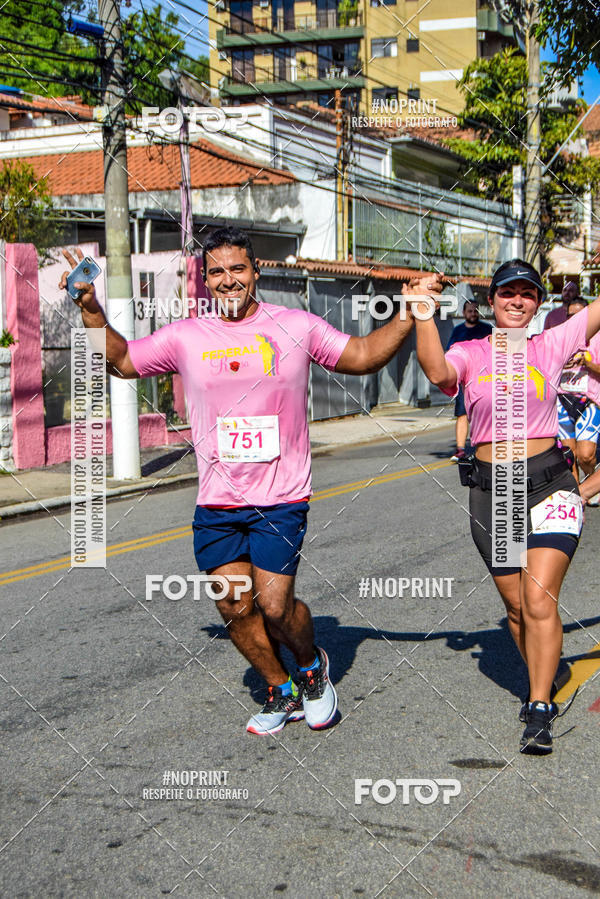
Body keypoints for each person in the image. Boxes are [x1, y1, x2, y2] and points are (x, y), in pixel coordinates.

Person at [61, 227, 442, 737]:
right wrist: (90, 308)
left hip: (281, 496)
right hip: (217, 502)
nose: (228, 280)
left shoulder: (295, 326)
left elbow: (363, 355)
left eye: (237, 269)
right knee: (234, 606)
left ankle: (311, 666)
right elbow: (123, 361)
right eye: (216, 272)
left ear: (256, 271)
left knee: (275, 606)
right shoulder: (186, 336)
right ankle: (281, 688)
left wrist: (408, 314)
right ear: (205, 279)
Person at [413, 257, 600, 754]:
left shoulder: (553, 343)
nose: (517, 300)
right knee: (517, 607)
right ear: (491, 300)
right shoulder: (471, 351)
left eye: (528, 293)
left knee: (538, 600)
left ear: (539, 304)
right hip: (495, 491)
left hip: (549, 484)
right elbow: (436, 371)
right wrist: (422, 312)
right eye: (507, 292)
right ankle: (543, 668)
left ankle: (539, 705)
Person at [557, 297, 600, 505]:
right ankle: (574, 498)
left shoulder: (598, 337)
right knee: (569, 455)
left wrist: (588, 363)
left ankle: (591, 482)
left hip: (589, 401)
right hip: (563, 400)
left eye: (579, 315)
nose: (574, 319)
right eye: (570, 316)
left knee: (586, 455)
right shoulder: (559, 338)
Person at [446, 299, 493, 462]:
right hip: (464, 381)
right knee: (462, 413)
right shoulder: (458, 331)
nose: (473, 314)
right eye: (470, 311)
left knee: (488, 411)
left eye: (475, 311)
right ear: (464, 313)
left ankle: (489, 446)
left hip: (486, 379)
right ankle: (460, 449)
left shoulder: (487, 329)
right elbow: (450, 352)